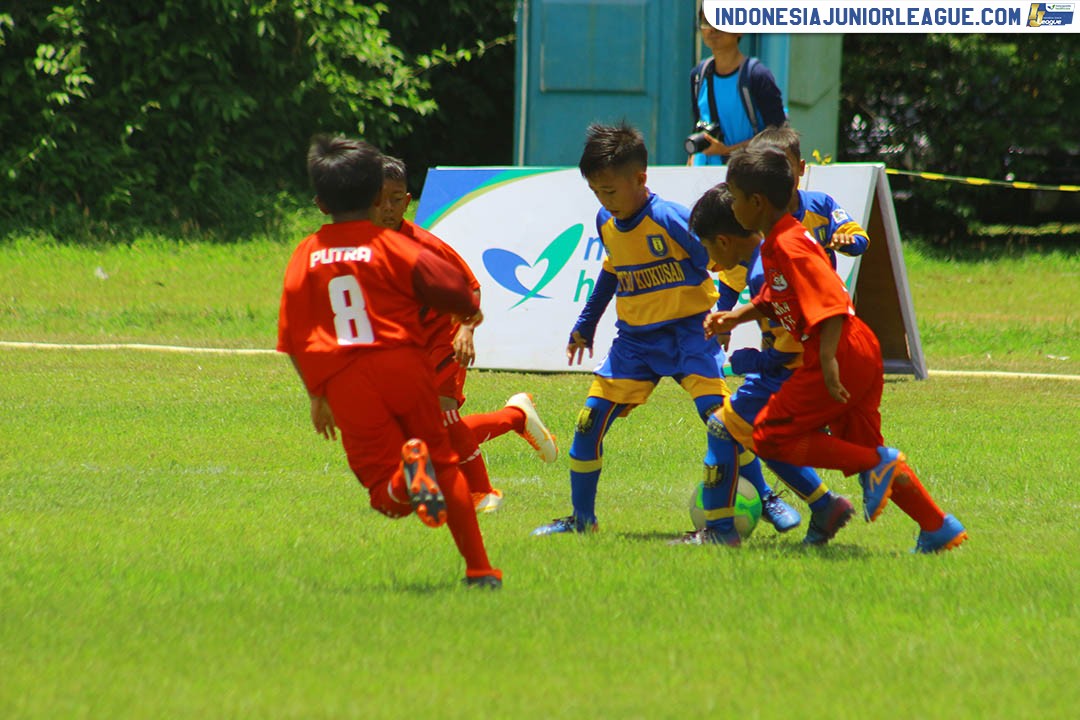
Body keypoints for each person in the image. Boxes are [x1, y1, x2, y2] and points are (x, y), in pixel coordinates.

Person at [705, 145, 968, 553]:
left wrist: (827, 359)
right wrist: (736, 317)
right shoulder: (782, 240)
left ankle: (876, 466)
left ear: (756, 203)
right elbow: (779, 297)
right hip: (856, 348)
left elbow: (831, 298)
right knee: (865, 449)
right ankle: (938, 527)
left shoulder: (787, 244)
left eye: (735, 197)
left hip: (837, 349)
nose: (732, 205)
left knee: (770, 435)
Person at [277, 134, 502, 587]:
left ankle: (405, 480)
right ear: (375, 196)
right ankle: (480, 569)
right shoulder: (392, 246)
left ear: (321, 203)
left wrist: (317, 395)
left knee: (384, 492)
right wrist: (467, 313)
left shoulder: (307, 254)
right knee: (444, 464)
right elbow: (451, 287)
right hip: (404, 367)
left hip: (346, 380)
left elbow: (293, 337)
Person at [532, 121, 743, 546]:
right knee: (588, 423)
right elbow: (611, 271)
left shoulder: (670, 219)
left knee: (720, 420)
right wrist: (586, 324)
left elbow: (727, 262)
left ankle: (756, 505)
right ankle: (582, 519)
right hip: (635, 342)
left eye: (610, 191)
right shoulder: (606, 221)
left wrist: (723, 314)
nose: (604, 201)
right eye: (596, 192)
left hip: (688, 333)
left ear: (640, 179)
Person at [372, 156, 559, 513]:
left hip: (444, 335)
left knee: (443, 412)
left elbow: (469, 286)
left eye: (396, 199)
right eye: (380, 199)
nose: (388, 207)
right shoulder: (361, 247)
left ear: (407, 201)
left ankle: (483, 492)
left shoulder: (424, 246)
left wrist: (467, 330)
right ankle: (516, 416)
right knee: (433, 432)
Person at [690, 183, 856, 545]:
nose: (710, 260)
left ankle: (719, 531)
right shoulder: (771, 253)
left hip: (794, 372)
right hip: (807, 366)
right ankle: (826, 506)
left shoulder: (763, 270)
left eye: (707, 248)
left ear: (723, 242)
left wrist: (757, 360)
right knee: (763, 438)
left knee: (722, 426)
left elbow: (793, 339)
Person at [747, 124, 869, 269]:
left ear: (801, 168)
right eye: (768, 170)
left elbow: (860, 239)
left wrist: (847, 241)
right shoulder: (751, 217)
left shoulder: (821, 205)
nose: (777, 177)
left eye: (785, 167)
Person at [688, 2, 786, 166]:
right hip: (703, 174)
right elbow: (698, 125)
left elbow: (779, 137)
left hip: (745, 173)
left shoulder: (757, 76)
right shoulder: (698, 76)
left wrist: (727, 151)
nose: (712, 29)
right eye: (706, 22)